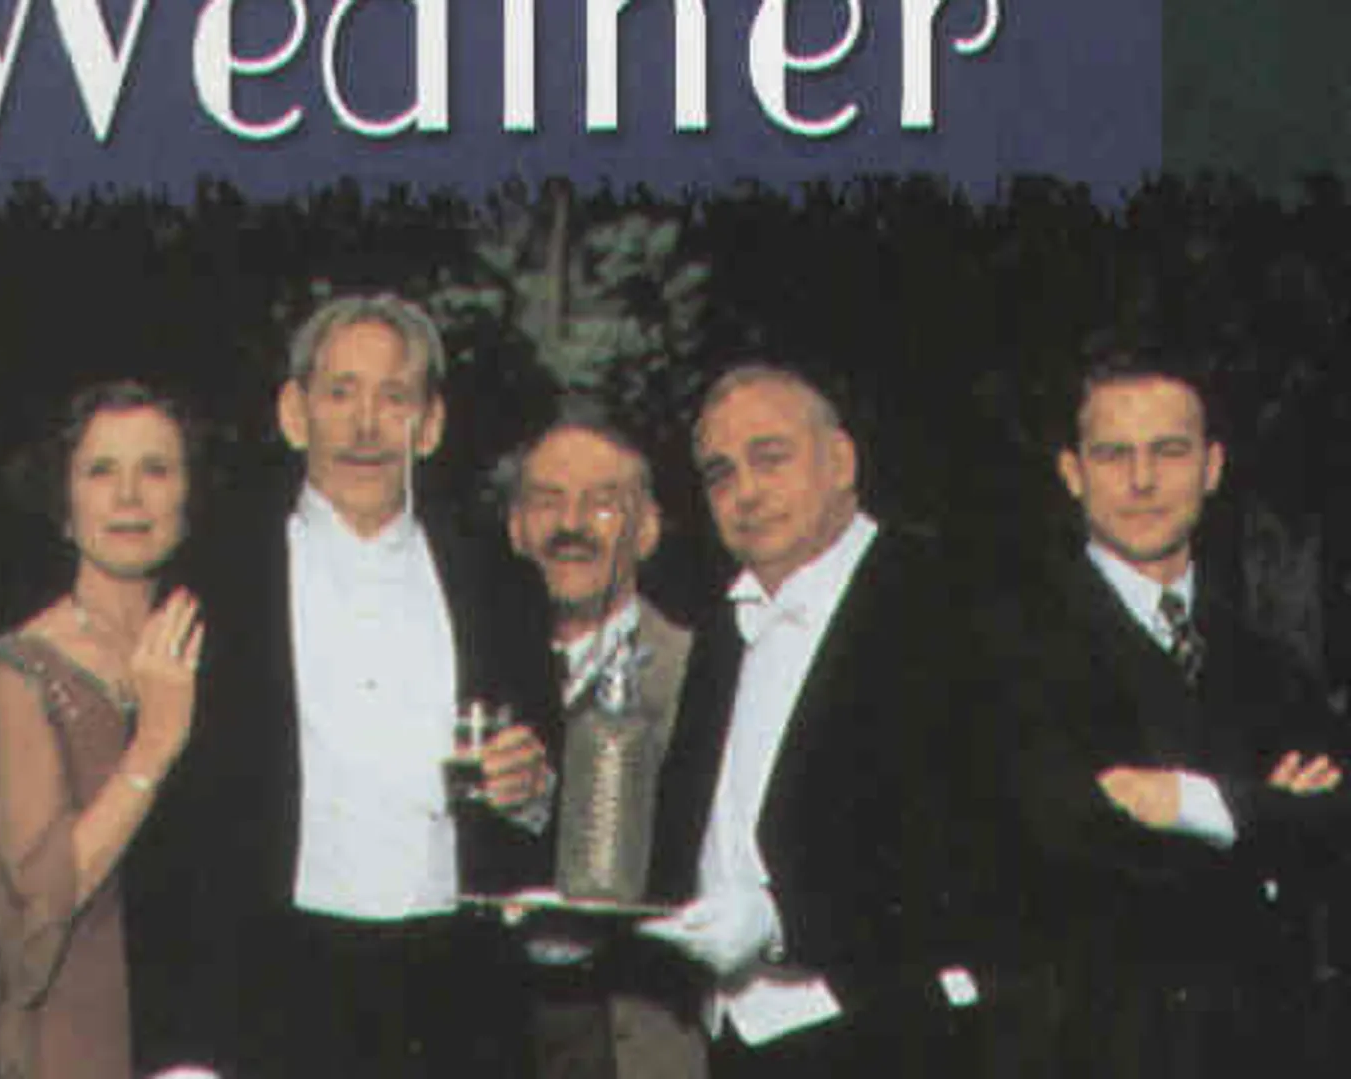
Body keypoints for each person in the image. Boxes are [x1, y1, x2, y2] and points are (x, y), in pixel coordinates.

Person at [139, 292, 557, 1078]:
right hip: (273, 986)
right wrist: (181, 1055)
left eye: (394, 396)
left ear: (430, 424)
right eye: (340, 393)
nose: (366, 425)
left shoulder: (500, 582)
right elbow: (176, 830)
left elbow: (545, 794)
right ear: (294, 413)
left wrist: (532, 788)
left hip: (457, 991)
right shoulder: (216, 574)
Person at [994, 344, 1348, 1077]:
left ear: (1212, 467)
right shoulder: (1009, 647)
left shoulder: (1268, 662)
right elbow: (1064, 837)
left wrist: (1190, 801)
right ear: (1072, 473)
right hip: (1091, 1052)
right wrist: (1268, 820)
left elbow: (1337, 824)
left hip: (1267, 1049)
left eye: (1170, 450)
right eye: (1113, 454)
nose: (1143, 479)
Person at [639, 362, 1001, 1076]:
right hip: (736, 1039)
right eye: (720, 473)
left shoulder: (947, 599)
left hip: (890, 1033)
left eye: (771, 457)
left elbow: (981, 847)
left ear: (840, 461)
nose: (745, 491)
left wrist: (781, 920)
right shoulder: (724, 628)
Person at [0, 380, 204, 1079]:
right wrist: (153, 746)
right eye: (100, 471)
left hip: (204, 1029)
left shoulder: (216, 649)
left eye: (155, 469)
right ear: (64, 508)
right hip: (76, 1035)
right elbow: (40, 898)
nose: (129, 496)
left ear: (188, 499)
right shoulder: (20, 671)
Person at [498, 394, 709, 1079]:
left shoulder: (706, 674)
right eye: (547, 501)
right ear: (516, 528)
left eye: (602, 504)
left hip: (641, 1040)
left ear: (647, 529)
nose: (571, 525)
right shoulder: (468, 672)